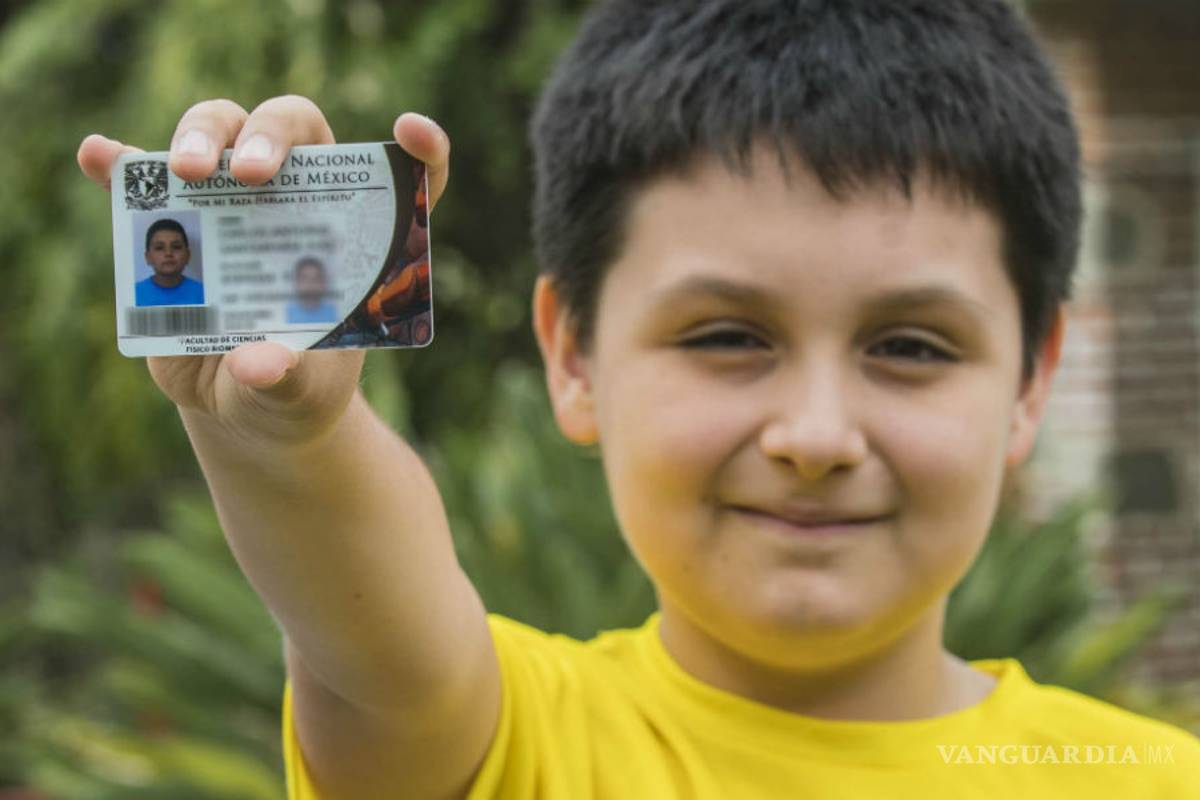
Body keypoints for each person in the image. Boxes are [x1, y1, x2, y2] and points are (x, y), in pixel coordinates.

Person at [76, 0, 1200, 797]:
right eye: (726, 336)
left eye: (910, 345)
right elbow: (373, 640)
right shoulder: (504, 744)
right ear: (574, 354)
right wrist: (291, 436)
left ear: (1032, 380)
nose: (814, 435)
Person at [135, 217, 205, 306]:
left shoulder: (203, 293)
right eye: (159, 248)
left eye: (176, 247)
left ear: (188, 255)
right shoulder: (134, 294)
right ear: (148, 257)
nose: (168, 253)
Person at [285, 257, 340, 324]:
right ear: (296, 283)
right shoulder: (284, 315)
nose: (310, 284)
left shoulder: (337, 313)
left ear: (324, 283)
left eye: (316, 279)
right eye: (304, 279)